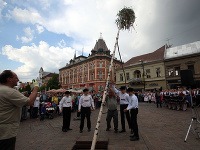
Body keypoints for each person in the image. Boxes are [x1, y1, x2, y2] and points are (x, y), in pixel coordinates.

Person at [0, 70, 39, 150]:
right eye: (16, 78)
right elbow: (30, 101)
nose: (18, 80)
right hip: (6, 132)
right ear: (9, 79)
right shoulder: (9, 91)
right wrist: (36, 87)